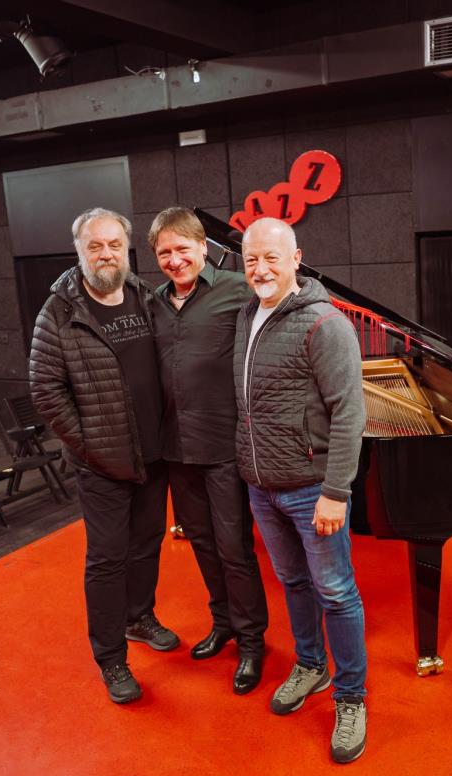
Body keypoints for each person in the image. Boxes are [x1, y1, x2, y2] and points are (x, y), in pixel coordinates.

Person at [29, 207, 179, 705]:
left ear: (126, 248)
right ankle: (112, 658)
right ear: (79, 252)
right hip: (101, 464)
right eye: (95, 246)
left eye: (114, 244)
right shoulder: (58, 312)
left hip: (153, 454)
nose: (106, 254)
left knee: (147, 544)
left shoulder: (144, 296)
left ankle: (140, 616)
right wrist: (91, 446)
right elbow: (46, 391)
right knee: (108, 560)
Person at [233, 216, 369, 763]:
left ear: (296, 258)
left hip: (312, 490)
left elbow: (349, 412)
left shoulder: (325, 324)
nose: (260, 269)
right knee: (292, 581)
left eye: (272, 257)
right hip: (262, 487)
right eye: (251, 260)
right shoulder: (247, 315)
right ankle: (311, 665)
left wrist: (336, 491)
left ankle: (351, 697)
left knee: (336, 592)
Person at [148, 207, 269, 695]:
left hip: (223, 446)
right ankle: (223, 623)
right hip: (176, 448)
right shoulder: (154, 302)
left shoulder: (238, 290)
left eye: (182, 249)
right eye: (164, 253)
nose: (174, 260)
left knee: (234, 548)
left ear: (203, 247)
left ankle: (252, 641)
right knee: (201, 542)